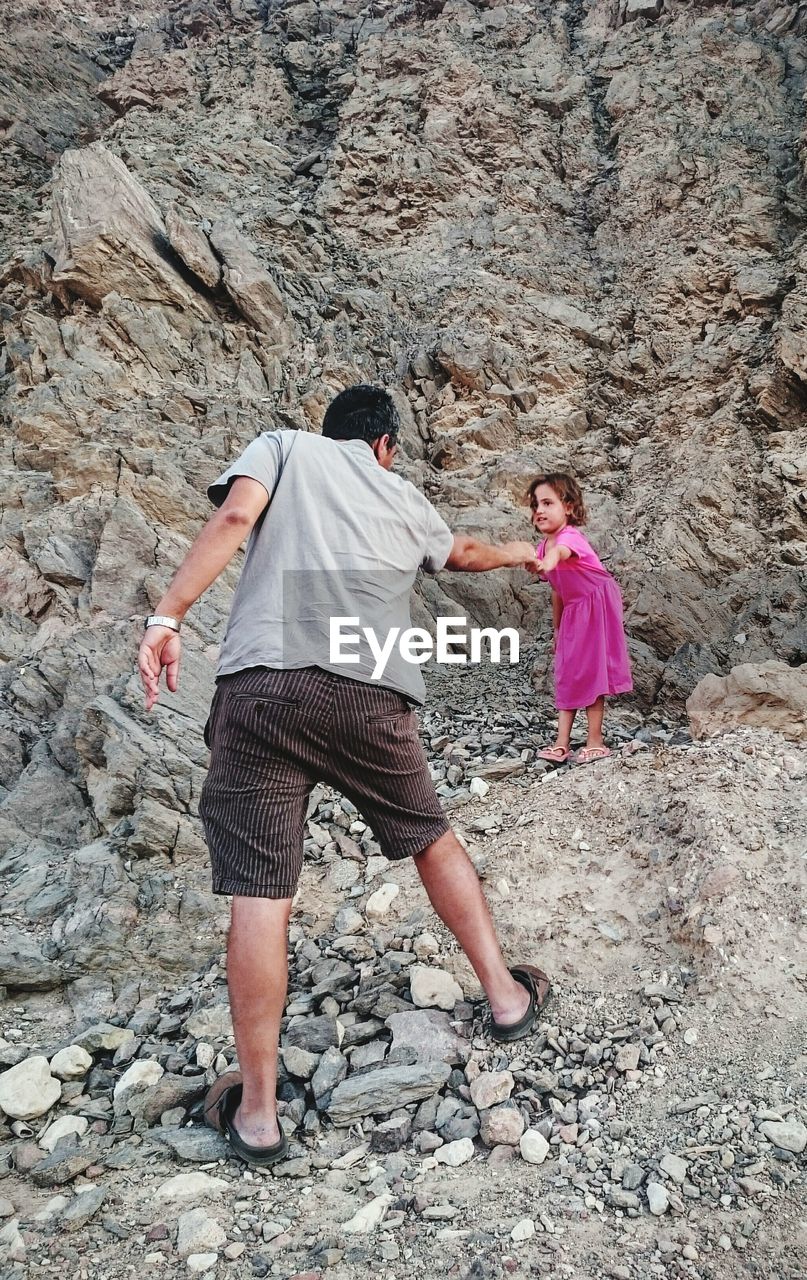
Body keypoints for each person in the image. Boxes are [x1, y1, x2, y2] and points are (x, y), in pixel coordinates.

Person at [138, 384, 551, 1168]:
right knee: (428, 836)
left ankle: (258, 1116)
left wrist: (168, 618)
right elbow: (463, 554)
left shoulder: (283, 446)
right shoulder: (400, 494)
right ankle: (504, 996)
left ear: (329, 434)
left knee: (262, 890)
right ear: (386, 445)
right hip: (370, 695)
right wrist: (526, 553)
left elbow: (233, 516)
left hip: (263, 687)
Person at [528, 472, 632, 764]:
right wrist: (558, 628)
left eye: (548, 502)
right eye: (535, 504)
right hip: (574, 607)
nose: (539, 510)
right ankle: (562, 742)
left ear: (569, 507)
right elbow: (558, 589)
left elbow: (560, 554)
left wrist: (546, 561)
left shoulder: (569, 537)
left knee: (591, 668)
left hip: (596, 601)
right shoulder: (542, 547)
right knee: (568, 668)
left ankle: (595, 740)